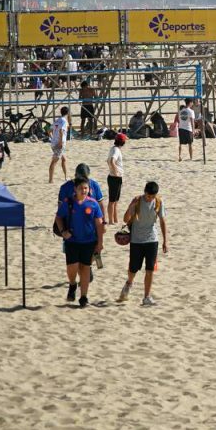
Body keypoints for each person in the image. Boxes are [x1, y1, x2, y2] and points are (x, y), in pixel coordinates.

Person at [54, 177, 104, 307]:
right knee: (72, 267)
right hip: (72, 240)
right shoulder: (68, 203)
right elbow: (58, 217)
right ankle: (72, 284)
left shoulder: (93, 204)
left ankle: (84, 297)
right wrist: (63, 231)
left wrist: (100, 243)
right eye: (81, 188)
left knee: (85, 267)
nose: (84, 190)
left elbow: (99, 225)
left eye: (86, 188)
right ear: (75, 189)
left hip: (89, 241)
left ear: (89, 189)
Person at [118, 181, 168, 306]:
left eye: (152, 196)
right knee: (133, 268)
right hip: (136, 240)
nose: (150, 198)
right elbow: (125, 219)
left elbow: (162, 221)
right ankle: (129, 283)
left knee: (150, 269)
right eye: (148, 195)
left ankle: (147, 296)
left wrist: (165, 240)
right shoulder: (137, 201)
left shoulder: (158, 202)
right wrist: (131, 206)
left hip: (152, 239)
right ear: (144, 192)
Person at [106, 133, 127, 224]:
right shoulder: (116, 150)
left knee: (116, 200)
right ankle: (111, 220)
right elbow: (111, 161)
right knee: (112, 200)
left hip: (115, 177)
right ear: (122, 142)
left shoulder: (114, 149)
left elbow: (108, 161)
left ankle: (115, 219)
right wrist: (115, 172)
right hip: (114, 178)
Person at [48, 106, 70, 183]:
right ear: (67, 113)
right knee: (54, 161)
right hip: (59, 144)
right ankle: (50, 180)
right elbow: (61, 131)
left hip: (54, 143)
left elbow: (49, 130)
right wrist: (60, 142)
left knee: (64, 159)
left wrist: (53, 138)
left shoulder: (57, 120)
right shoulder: (64, 121)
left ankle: (66, 177)